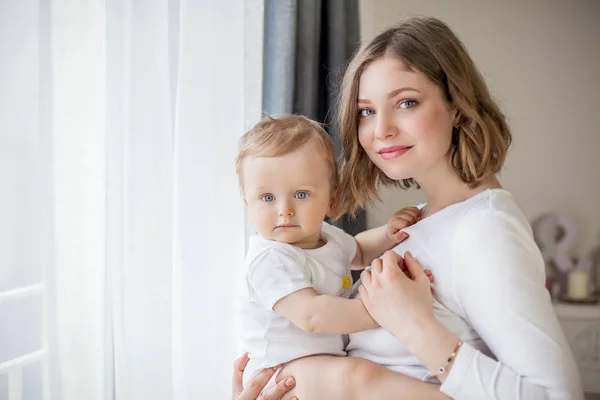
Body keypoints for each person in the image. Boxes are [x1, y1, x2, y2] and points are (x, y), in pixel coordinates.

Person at [234, 16, 583, 400]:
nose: (381, 129)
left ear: (457, 106)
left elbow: (555, 396)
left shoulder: (485, 230)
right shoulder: (422, 221)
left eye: (406, 102)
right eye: (366, 111)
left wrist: (415, 326)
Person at [235, 114, 432, 392]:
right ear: (248, 204)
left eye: (301, 194)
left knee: (361, 377)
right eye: (267, 198)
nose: (284, 209)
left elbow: (360, 250)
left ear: (332, 199)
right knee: (358, 376)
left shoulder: (328, 238)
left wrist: (388, 234)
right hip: (279, 373)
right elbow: (311, 316)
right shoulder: (270, 258)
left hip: (318, 364)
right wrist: (385, 310)